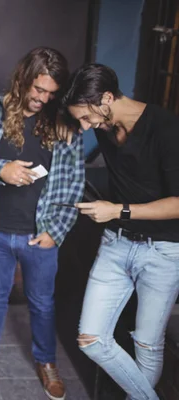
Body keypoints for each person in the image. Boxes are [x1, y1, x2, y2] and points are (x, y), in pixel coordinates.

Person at [0, 47, 85, 400]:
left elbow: (75, 182)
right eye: (38, 89)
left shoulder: (64, 121)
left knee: (42, 303)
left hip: (41, 233)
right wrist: (1, 169)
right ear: (24, 79)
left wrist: (55, 232)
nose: (42, 99)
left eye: (51, 93)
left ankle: (45, 361)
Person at [62, 63, 179, 400]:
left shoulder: (166, 127)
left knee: (147, 342)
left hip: (165, 251)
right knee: (91, 338)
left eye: (86, 117)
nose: (85, 127)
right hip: (115, 244)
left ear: (107, 98)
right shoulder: (104, 124)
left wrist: (118, 210)